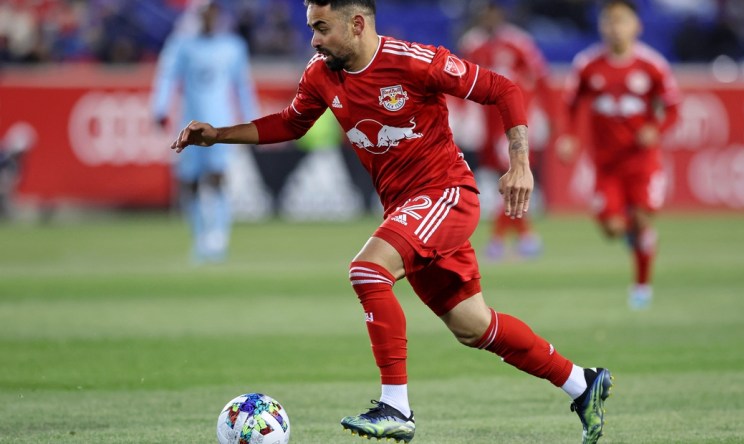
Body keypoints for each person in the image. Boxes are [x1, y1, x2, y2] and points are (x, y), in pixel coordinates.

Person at [171, 1, 611, 442]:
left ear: (357, 23)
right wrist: (218, 134)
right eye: (311, 28)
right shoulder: (321, 74)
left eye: (322, 28)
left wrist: (520, 163)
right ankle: (582, 382)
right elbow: (291, 123)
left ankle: (396, 407)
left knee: (368, 270)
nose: (314, 39)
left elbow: (504, 89)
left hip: (445, 195)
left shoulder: (415, 62)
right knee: (473, 326)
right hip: (406, 210)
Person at [556, 0, 681, 309]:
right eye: (609, 21)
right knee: (612, 228)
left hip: (642, 161)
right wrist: (568, 137)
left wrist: (656, 129)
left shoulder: (652, 65)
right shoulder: (587, 64)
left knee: (641, 218)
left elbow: (674, 108)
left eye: (621, 21)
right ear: (601, 26)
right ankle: (635, 238)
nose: (615, 27)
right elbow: (570, 104)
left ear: (636, 26)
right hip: (606, 164)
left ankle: (641, 286)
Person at [151, 0, 259, 262]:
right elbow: (167, 76)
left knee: (217, 177)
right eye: (203, 13)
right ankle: (200, 236)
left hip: (221, 125)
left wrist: (253, 119)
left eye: (212, 12)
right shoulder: (182, 45)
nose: (208, 18)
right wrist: (159, 108)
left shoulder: (232, 47)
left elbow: (242, 85)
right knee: (188, 182)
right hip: (188, 124)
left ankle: (219, 236)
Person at [458, 1, 553, 260]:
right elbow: (457, 81)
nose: (490, 18)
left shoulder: (519, 42)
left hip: (512, 123)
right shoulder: (472, 43)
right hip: (486, 125)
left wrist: (543, 114)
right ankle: (524, 236)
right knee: (503, 181)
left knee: (513, 178)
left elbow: (540, 78)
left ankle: (505, 239)